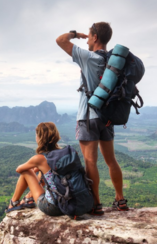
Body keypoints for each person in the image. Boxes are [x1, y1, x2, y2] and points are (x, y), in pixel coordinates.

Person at [55, 22, 128, 215]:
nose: (86, 39)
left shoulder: (88, 57)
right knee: (111, 160)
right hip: (107, 117)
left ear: (95, 37)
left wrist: (76, 34)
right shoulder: (113, 61)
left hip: (88, 117)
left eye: (89, 35)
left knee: (90, 162)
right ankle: (120, 200)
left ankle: (96, 204)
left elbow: (60, 40)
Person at [5, 122, 62, 216]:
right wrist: (38, 168)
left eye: (36, 135)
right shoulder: (62, 154)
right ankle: (29, 197)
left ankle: (13, 203)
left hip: (53, 207)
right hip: (69, 203)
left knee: (26, 171)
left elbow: (19, 169)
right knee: (44, 172)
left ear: (40, 138)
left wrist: (34, 166)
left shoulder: (40, 159)